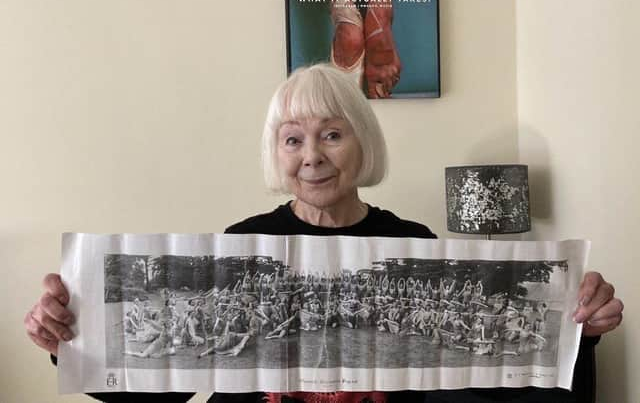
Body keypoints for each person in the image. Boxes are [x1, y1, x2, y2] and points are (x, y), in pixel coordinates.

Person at [24, 64, 624, 402]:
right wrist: (71, 341)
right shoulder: (241, 242)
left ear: (364, 143)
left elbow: (479, 383)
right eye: (292, 139)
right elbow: (167, 386)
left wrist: (579, 331)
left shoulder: (412, 240)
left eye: (332, 133)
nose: (311, 156)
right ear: (276, 153)